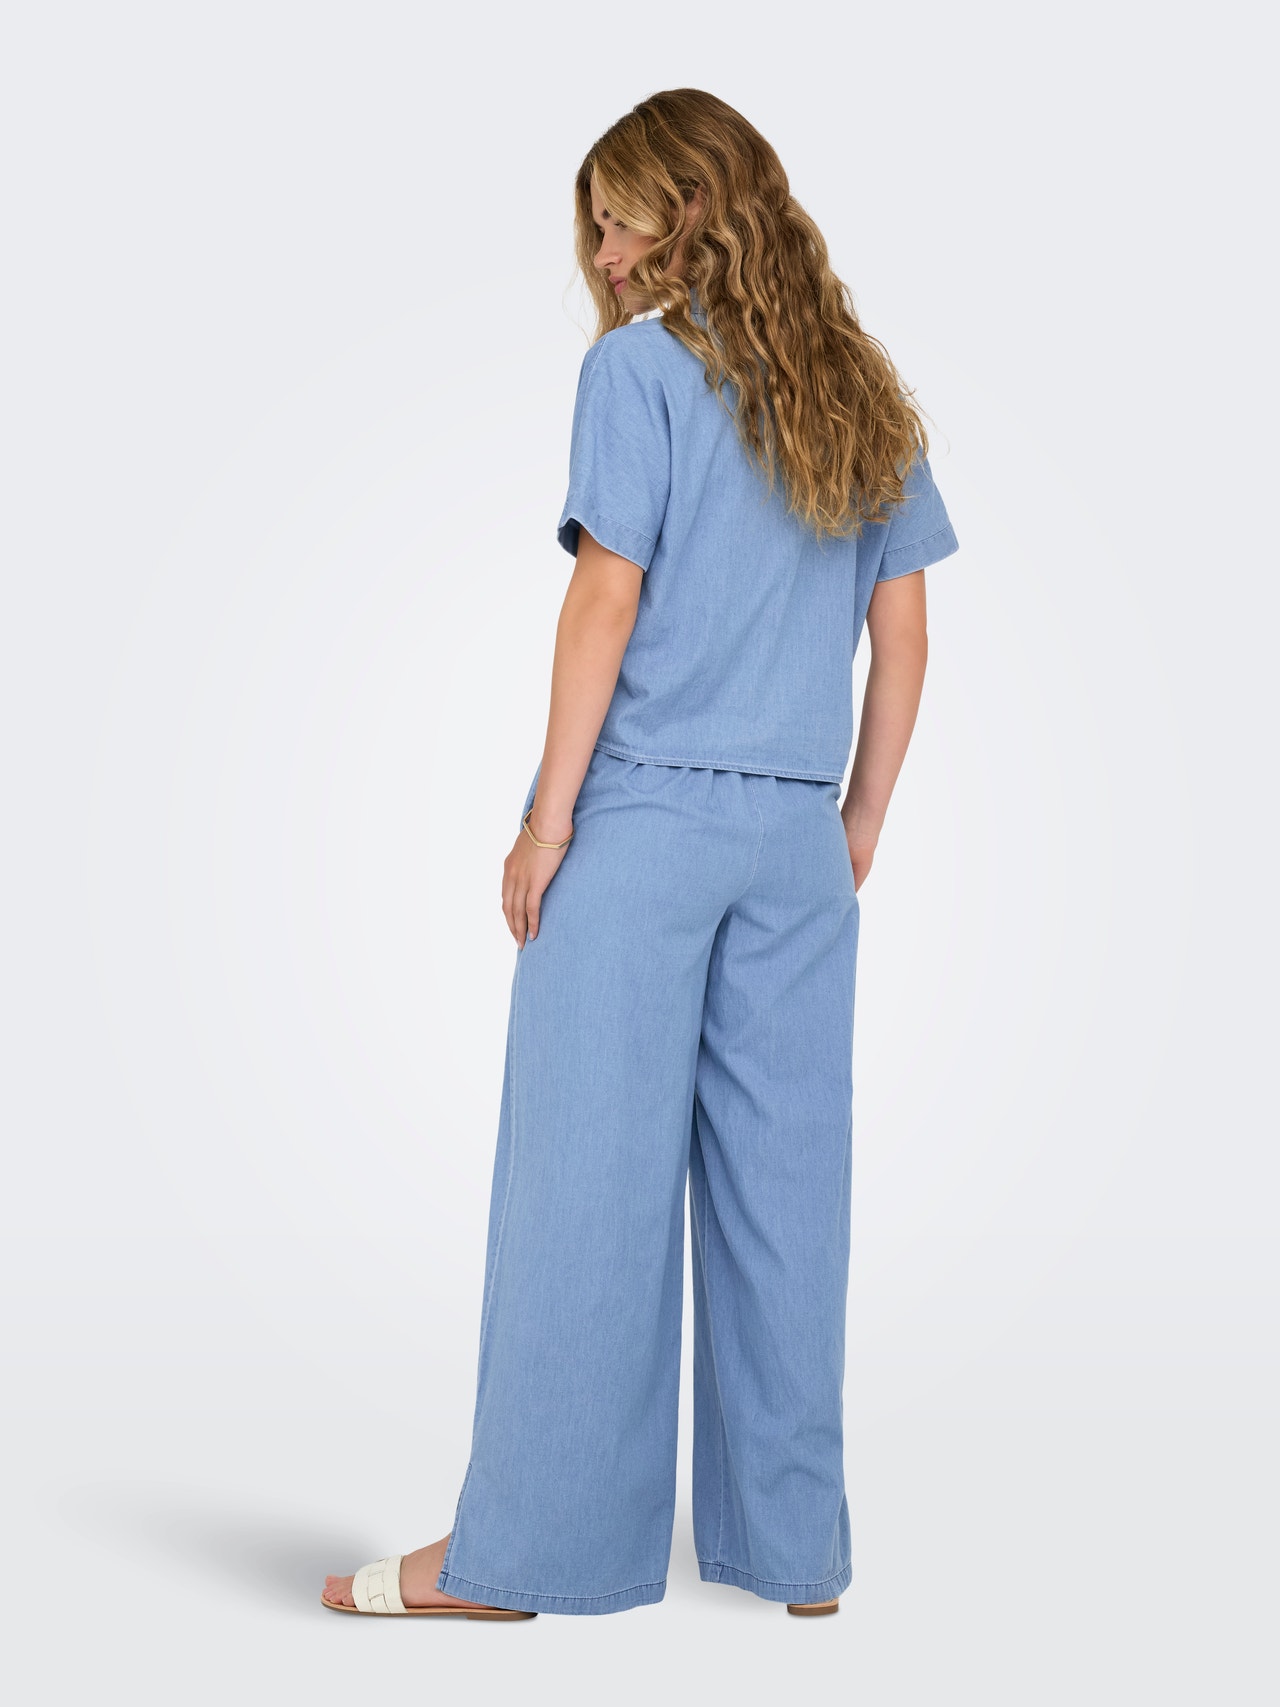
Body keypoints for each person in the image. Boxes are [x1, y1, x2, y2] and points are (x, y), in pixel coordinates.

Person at [322, 86, 959, 1623]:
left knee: (583, 1196)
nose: (605, 259)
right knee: (786, 1203)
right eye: (597, 229)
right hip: (796, 848)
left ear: (699, 209)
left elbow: (603, 601)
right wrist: (856, 822)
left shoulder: (640, 373)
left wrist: (548, 821)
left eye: (623, 223)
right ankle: (794, 1554)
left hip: (648, 822)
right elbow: (905, 633)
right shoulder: (860, 388)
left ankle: (518, 1560)